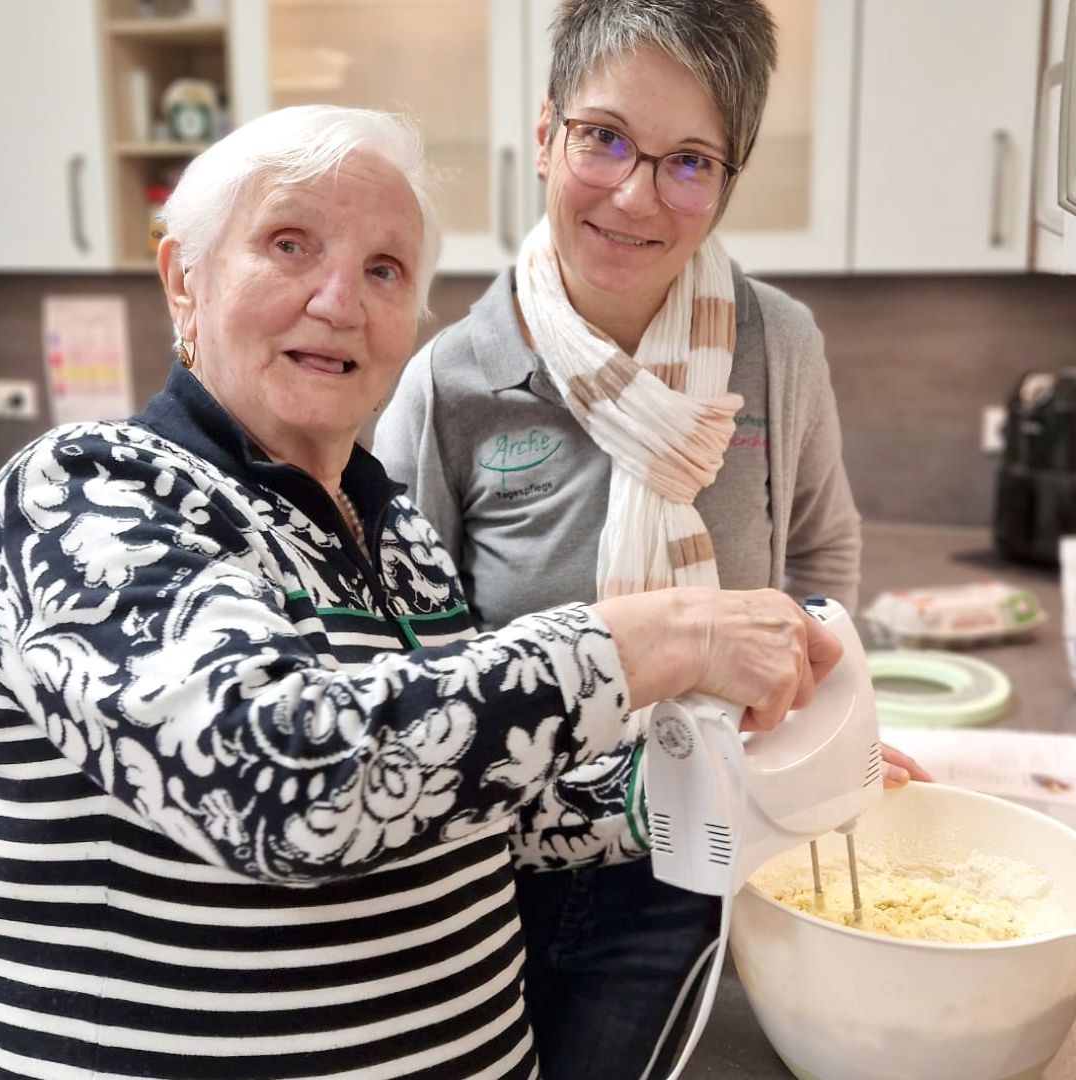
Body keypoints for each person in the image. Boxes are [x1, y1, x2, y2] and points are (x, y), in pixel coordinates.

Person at [0, 104, 845, 1080]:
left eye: (385, 270)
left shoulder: (393, 536)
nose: (339, 302)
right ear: (184, 278)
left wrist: (732, 780)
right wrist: (660, 638)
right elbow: (284, 782)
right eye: (289, 244)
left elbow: (473, 793)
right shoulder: (87, 490)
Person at [374, 3, 931, 1078]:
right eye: (605, 138)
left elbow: (820, 554)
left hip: (707, 852)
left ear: (727, 179)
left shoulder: (775, 346)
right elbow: (409, 652)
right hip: (495, 870)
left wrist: (825, 728)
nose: (635, 196)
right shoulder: (451, 379)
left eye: (688, 161)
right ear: (547, 134)